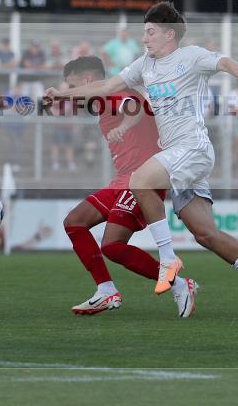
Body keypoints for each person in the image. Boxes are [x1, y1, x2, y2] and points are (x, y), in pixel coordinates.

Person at [45, 1, 238, 317]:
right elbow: (106, 85)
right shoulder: (145, 64)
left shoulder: (190, 56)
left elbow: (223, 61)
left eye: (150, 32)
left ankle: (167, 259)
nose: (145, 38)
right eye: (144, 32)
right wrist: (61, 95)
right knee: (206, 234)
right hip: (177, 158)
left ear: (169, 34)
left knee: (140, 180)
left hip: (193, 148)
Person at [58, 56, 197, 317]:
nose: (72, 93)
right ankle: (106, 290)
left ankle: (179, 284)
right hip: (123, 180)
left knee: (112, 245)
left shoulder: (114, 94)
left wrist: (122, 126)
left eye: (72, 86)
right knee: (74, 222)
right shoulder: (101, 101)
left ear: (88, 81)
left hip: (143, 179)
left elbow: (134, 107)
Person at [50, 81, 77, 172]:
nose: (64, 90)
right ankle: (55, 163)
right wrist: (61, 111)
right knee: (55, 145)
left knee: (69, 145)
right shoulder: (55, 99)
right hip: (58, 126)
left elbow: (74, 112)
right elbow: (52, 111)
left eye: (65, 88)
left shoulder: (71, 99)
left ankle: (70, 162)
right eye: (62, 88)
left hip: (68, 126)